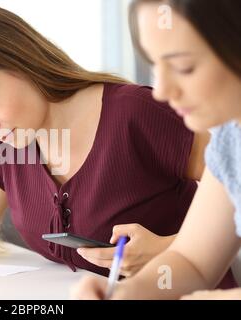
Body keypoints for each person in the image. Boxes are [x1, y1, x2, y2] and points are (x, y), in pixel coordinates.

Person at [0, 2, 233, 288]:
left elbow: (228, 194)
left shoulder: (137, 114)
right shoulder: (10, 145)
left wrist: (164, 247)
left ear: (22, 62)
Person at [71, 0, 241, 299]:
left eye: (182, 67)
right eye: (155, 65)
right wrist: (126, 293)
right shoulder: (230, 141)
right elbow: (191, 262)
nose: (161, 90)